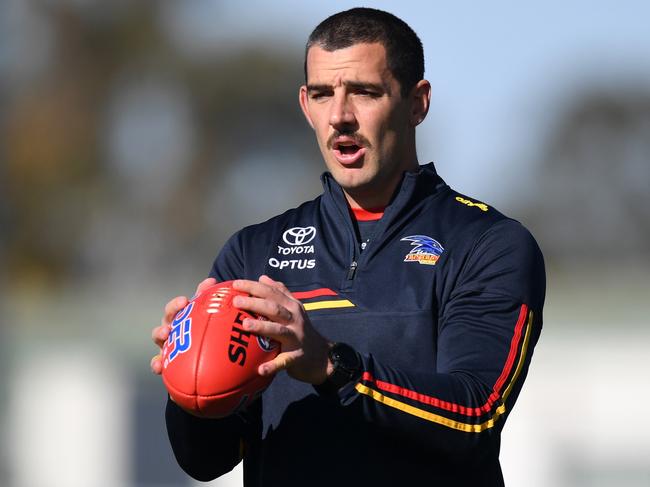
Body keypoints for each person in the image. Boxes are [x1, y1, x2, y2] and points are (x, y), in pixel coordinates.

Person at [151, 7, 545, 486]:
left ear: (417, 102)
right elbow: (206, 462)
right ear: (305, 104)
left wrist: (331, 366)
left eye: (364, 91)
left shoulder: (487, 244)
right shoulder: (253, 253)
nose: (340, 116)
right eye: (322, 94)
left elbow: (474, 416)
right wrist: (190, 384)